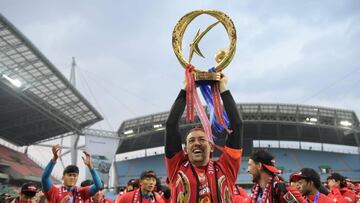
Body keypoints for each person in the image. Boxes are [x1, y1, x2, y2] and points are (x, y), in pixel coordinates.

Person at [165, 75, 243, 203]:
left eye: (202, 139)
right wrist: (186, 89)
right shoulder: (177, 166)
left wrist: (223, 88)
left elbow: (237, 126)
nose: (196, 143)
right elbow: (171, 125)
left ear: (211, 146)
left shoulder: (226, 167)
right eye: (191, 141)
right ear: (185, 149)